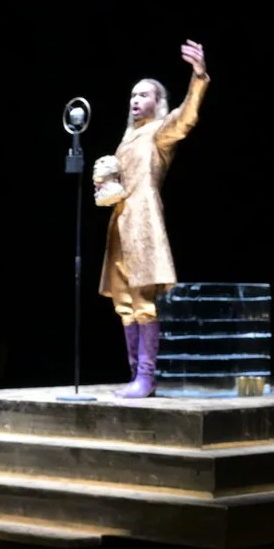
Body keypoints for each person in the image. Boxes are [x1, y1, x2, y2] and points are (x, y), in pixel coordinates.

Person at [93, 40, 211, 398]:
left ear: (157, 103)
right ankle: (135, 376)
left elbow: (186, 118)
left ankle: (147, 376)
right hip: (120, 223)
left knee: (143, 300)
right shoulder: (128, 137)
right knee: (124, 304)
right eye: (132, 95)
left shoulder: (160, 132)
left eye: (143, 95)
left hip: (143, 223)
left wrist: (199, 76)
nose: (135, 100)